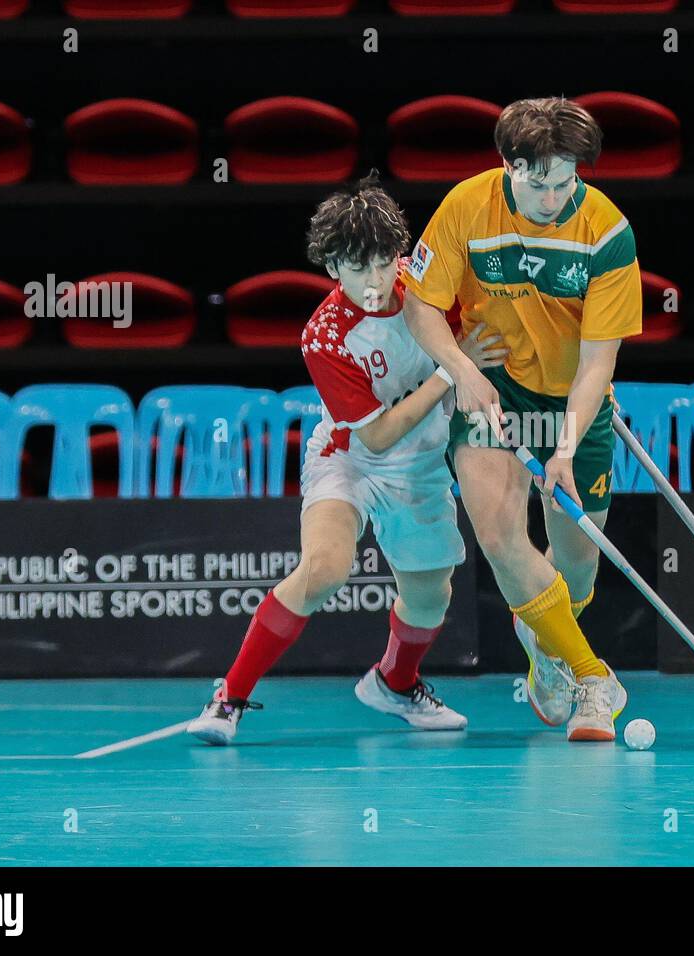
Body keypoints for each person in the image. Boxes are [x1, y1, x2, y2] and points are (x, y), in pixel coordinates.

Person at [188, 173, 506, 745]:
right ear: (332, 267)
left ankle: (395, 683)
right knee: (325, 568)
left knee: (432, 593)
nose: (376, 280)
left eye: (385, 262)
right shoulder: (326, 336)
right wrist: (452, 370)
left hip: (424, 464)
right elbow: (378, 436)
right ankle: (229, 696)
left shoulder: (430, 289)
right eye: (358, 267)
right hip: (351, 460)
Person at [398, 97, 643, 741]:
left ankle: (545, 645)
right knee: (501, 537)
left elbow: (599, 363)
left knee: (578, 568)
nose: (555, 196)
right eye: (541, 182)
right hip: (497, 392)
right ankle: (594, 679)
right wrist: (463, 369)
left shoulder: (607, 231)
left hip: (574, 406)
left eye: (568, 181)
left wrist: (564, 448)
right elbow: (422, 305)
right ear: (509, 164)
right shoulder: (465, 207)